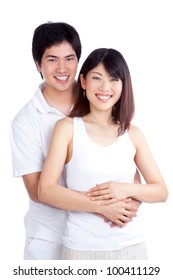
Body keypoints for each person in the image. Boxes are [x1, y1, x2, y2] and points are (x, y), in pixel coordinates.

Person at [10, 22, 140, 260]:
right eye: (52, 59)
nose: (62, 68)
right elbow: (37, 191)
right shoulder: (25, 121)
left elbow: (125, 162)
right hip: (48, 239)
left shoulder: (98, 96)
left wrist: (129, 203)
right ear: (38, 64)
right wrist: (103, 206)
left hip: (101, 239)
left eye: (69, 58)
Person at [38, 48, 168, 260]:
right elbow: (46, 190)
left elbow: (161, 191)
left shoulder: (132, 133)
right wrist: (102, 207)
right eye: (96, 78)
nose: (105, 87)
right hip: (81, 249)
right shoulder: (67, 128)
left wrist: (123, 189)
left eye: (114, 79)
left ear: (123, 85)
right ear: (83, 82)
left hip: (131, 248)